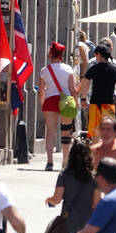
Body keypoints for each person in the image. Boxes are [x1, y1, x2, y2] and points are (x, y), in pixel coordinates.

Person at [38, 42, 79, 171]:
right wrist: (76, 102)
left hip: (50, 100)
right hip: (66, 102)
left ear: (51, 54)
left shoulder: (45, 70)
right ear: (61, 55)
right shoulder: (68, 69)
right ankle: (65, 162)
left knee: (50, 132)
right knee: (66, 133)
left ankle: (49, 162)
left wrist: (42, 103)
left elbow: (41, 91)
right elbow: (73, 90)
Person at [78, 44, 116, 140]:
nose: (95, 57)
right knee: (108, 132)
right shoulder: (115, 70)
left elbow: (84, 85)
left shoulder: (93, 69)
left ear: (99, 54)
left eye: (96, 54)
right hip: (108, 105)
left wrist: (82, 97)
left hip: (95, 104)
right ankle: (106, 152)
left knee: (95, 132)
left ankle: (96, 152)